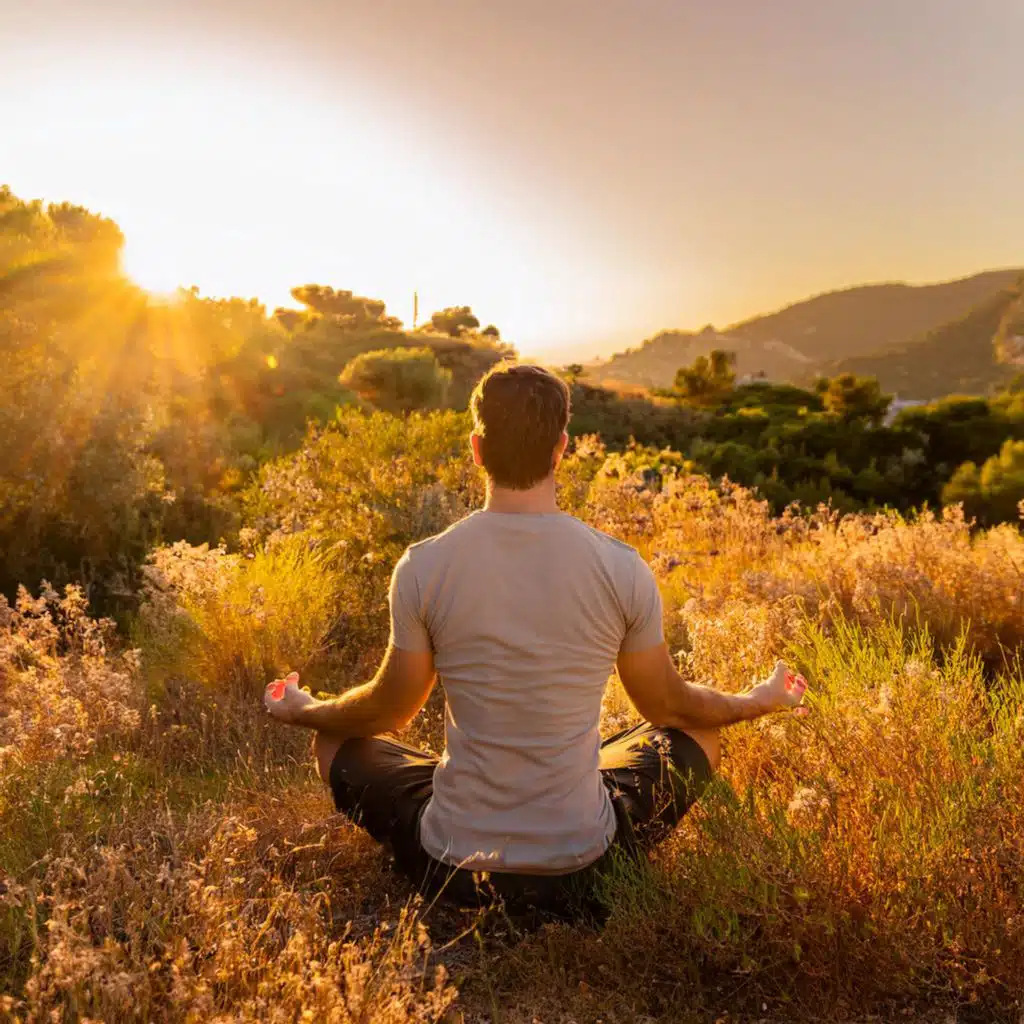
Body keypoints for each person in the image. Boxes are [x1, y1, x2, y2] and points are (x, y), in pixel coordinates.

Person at [264, 363, 808, 915]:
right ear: (561, 448)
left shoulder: (425, 565)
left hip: (453, 869)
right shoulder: (620, 568)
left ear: (477, 448)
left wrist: (306, 711)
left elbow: (389, 710)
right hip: (583, 869)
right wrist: (758, 701)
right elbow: (667, 704)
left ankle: (471, 816)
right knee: (700, 733)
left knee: (333, 741)